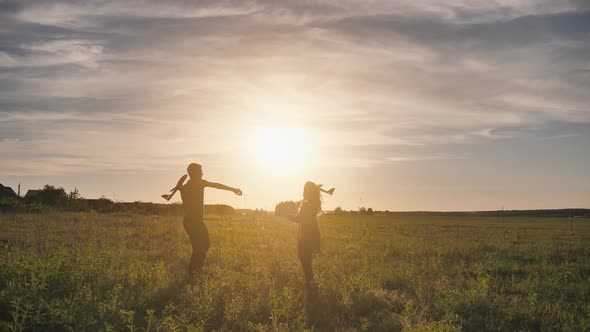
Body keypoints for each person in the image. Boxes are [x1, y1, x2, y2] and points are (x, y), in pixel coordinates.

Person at [166, 163, 242, 276]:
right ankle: (192, 274)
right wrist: (182, 190)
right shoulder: (187, 187)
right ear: (194, 173)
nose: (202, 173)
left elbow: (216, 185)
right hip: (191, 222)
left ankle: (197, 270)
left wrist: (232, 189)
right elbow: (187, 203)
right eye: (200, 171)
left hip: (199, 221)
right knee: (198, 248)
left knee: (206, 244)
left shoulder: (198, 184)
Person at [284, 182, 334, 290]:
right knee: (307, 260)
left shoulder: (307, 204)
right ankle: (311, 283)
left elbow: (299, 218)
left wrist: (285, 215)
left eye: (304, 189)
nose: (302, 191)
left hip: (307, 236)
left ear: (308, 192)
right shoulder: (313, 203)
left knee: (304, 259)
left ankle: (310, 284)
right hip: (312, 234)